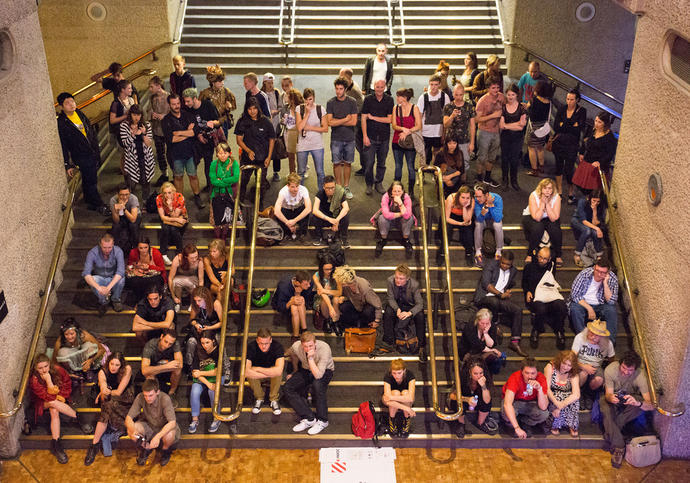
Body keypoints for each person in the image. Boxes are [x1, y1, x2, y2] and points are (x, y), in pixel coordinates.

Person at [56, 92, 109, 215]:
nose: (71, 104)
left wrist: (96, 148)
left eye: (72, 101)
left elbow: (89, 131)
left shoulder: (79, 113)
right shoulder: (62, 123)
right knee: (91, 180)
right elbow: (63, 145)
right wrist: (67, 164)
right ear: (62, 107)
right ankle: (98, 204)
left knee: (89, 179)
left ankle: (89, 200)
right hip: (81, 156)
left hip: (92, 151)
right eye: (67, 103)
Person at [601, 350, 654, 468]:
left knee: (640, 406)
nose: (625, 372)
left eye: (630, 370)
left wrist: (638, 403)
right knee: (604, 404)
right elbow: (608, 394)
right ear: (620, 363)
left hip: (631, 399)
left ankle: (611, 435)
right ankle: (619, 446)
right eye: (624, 368)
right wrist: (611, 398)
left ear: (635, 369)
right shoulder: (611, 369)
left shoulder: (641, 376)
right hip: (615, 398)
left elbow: (651, 404)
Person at [84, 352, 134, 465]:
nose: (114, 367)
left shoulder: (127, 369)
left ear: (121, 365)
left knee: (107, 403)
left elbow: (119, 391)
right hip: (110, 400)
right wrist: (103, 391)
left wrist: (105, 392)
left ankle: (94, 445)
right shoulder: (103, 371)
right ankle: (94, 444)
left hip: (125, 397)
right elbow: (103, 385)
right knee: (107, 404)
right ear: (108, 362)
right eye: (112, 364)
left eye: (117, 365)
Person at [473, 252, 527, 356]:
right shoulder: (491, 265)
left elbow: (509, 284)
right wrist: (499, 294)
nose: (505, 266)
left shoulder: (513, 271)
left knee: (518, 310)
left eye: (508, 265)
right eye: (503, 263)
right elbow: (486, 284)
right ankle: (494, 326)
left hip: (500, 298)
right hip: (485, 296)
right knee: (494, 301)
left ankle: (515, 342)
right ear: (500, 260)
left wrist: (507, 292)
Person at [29, 353, 77, 464]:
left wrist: (62, 396)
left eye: (46, 366)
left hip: (56, 399)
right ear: (36, 368)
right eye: (40, 368)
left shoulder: (57, 369)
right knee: (52, 402)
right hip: (42, 402)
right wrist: (49, 380)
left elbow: (67, 383)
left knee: (54, 409)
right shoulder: (34, 380)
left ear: (49, 364)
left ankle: (56, 443)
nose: (44, 370)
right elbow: (46, 397)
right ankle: (78, 417)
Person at [285, 331, 335, 435]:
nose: (308, 349)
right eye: (305, 346)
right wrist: (294, 371)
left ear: (315, 343)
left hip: (324, 371)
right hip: (306, 369)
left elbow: (318, 375)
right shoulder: (296, 346)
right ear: (301, 344)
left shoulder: (324, 348)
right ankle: (309, 418)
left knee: (317, 385)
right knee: (288, 387)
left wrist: (310, 358)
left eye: (311, 346)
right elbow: (288, 353)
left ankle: (323, 420)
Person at [161, 93, 205, 209]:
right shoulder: (166, 121)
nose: (177, 106)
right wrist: (187, 132)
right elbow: (171, 139)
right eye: (174, 104)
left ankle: (197, 196)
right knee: (178, 177)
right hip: (175, 155)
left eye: (178, 103)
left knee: (193, 175)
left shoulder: (188, 115)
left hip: (190, 152)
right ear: (169, 105)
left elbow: (194, 132)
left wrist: (179, 132)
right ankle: (179, 199)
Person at [125, 378, 180, 466]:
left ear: (157, 392)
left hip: (163, 426)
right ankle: (146, 447)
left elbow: (172, 422)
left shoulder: (165, 398)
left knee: (169, 435)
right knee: (131, 430)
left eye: (150, 395)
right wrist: (133, 431)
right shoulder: (140, 397)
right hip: (149, 425)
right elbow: (128, 418)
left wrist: (158, 436)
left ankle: (165, 451)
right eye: (145, 395)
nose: (147, 398)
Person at [522, 247, 567, 350]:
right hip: (535, 295)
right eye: (540, 257)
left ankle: (559, 330)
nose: (542, 260)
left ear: (550, 258)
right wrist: (528, 291)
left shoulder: (551, 266)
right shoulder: (529, 267)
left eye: (545, 258)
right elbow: (524, 282)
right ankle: (536, 329)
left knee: (561, 306)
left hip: (548, 294)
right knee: (541, 309)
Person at [235, 97, 276, 207]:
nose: (252, 111)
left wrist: (269, 157)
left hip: (262, 159)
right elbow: (239, 140)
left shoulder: (266, 121)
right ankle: (239, 203)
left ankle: (259, 203)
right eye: (249, 109)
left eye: (254, 108)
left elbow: (272, 139)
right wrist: (248, 151)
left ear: (258, 108)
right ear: (246, 109)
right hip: (247, 158)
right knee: (243, 181)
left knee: (261, 184)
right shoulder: (242, 121)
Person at [569, 255, 619, 339]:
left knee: (611, 310)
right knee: (575, 308)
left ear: (608, 272)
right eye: (597, 270)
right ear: (594, 267)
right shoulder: (585, 274)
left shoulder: (612, 278)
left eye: (603, 272)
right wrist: (589, 308)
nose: (599, 274)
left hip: (601, 305)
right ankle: (583, 340)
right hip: (584, 303)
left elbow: (611, 301)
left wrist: (605, 283)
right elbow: (575, 295)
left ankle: (609, 343)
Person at [382, 264, 426, 360]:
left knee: (420, 316)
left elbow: (420, 304)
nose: (398, 280)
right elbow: (390, 298)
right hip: (397, 305)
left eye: (401, 279)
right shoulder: (390, 280)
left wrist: (409, 313)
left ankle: (421, 346)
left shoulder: (414, 284)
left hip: (410, 306)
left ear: (407, 278)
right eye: (397, 277)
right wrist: (397, 309)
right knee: (388, 312)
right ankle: (390, 342)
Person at [188, 330, 229, 434]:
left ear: (213, 341)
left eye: (207, 342)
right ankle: (195, 420)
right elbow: (195, 372)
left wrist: (201, 374)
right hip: (204, 380)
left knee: (212, 392)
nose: (205, 345)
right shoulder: (198, 351)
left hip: (218, 377)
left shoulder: (218, 351)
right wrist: (207, 383)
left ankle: (216, 418)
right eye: (202, 343)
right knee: (194, 391)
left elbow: (218, 371)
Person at [550, 89, 587, 201]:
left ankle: (571, 192)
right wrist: (571, 124)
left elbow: (579, 128)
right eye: (567, 99)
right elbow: (556, 127)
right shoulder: (562, 109)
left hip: (572, 144)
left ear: (577, 100)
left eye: (571, 99)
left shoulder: (582, 111)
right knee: (559, 166)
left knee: (569, 169)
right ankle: (559, 190)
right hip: (559, 142)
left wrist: (564, 124)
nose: (569, 101)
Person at [327, 77, 359, 200]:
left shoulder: (352, 102)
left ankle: (346, 186)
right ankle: (338, 187)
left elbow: (354, 122)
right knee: (336, 163)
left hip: (349, 138)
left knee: (347, 163)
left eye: (341, 89)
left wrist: (337, 121)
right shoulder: (331, 102)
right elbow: (330, 122)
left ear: (345, 89)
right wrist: (346, 119)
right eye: (336, 89)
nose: (338, 91)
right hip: (336, 138)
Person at [182, 87, 220, 190]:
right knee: (193, 164)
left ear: (195, 99)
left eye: (188, 101)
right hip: (195, 142)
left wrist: (213, 123)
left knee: (208, 165)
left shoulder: (208, 105)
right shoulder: (187, 110)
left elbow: (217, 121)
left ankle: (210, 187)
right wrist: (198, 135)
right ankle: (196, 191)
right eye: (185, 101)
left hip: (208, 141)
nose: (186, 104)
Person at [449, 356, 497, 438]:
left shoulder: (486, 378)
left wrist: (484, 387)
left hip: (477, 400)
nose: (479, 376)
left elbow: (487, 400)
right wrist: (467, 399)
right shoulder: (463, 377)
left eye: (481, 373)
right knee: (457, 402)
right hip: (465, 399)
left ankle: (480, 423)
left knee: (487, 399)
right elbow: (452, 396)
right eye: (475, 373)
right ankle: (461, 424)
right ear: (470, 373)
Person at [571, 319, 615, 409]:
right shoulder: (580, 337)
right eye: (591, 333)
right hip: (580, 364)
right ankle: (579, 394)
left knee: (599, 379)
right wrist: (583, 366)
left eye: (596, 335)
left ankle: (588, 395)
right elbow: (572, 358)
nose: (592, 337)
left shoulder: (608, 344)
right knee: (583, 374)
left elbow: (612, 359)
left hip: (596, 367)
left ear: (602, 337)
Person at [501, 357, 549, 438]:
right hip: (515, 401)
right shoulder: (515, 377)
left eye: (533, 373)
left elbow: (543, 407)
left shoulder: (541, 378)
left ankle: (525, 422)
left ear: (537, 372)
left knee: (544, 414)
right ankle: (512, 425)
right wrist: (517, 428)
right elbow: (507, 404)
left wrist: (539, 389)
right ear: (522, 371)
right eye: (527, 373)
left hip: (530, 402)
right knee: (506, 413)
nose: (530, 376)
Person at [362, 79, 394, 195]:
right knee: (369, 163)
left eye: (381, 87)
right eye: (377, 87)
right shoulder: (368, 99)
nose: (379, 89)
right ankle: (369, 184)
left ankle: (379, 183)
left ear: (385, 87)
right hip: (370, 136)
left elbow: (390, 119)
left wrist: (373, 117)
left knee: (382, 163)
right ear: (373, 87)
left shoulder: (389, 100)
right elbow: (364, 119)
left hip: (384, 137)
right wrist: (364, 136)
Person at [521, 178, 563, 266]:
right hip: (532, 216)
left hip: (550, 216)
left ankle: (558, 255)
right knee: (538, 228)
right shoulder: (533, 195)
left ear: (553, 189)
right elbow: (537, 218)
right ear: (541, 189)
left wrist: (547, 204)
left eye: (550, 188)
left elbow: (554, 218)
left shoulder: (557, 197)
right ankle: (530, 254)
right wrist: (542, 204)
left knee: (555, 230)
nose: (547, 191)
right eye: (545, 188)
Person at [573, 111, 618, 192]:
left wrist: (600, 162)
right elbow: (585, 140)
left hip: (597, 167)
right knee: (581, 187)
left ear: (605, 124)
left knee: (593, 191)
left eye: (599, 122)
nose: (596, 124)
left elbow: (610, 154)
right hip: (587, 163)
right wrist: (581, 152)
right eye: (596, 121)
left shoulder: (609, 137)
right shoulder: (592, 130)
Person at [82, 233, 125, 316]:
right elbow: (86, 273)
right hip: (100, 277)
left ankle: (115, 299)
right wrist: (100, 288)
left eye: (110, 247)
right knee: (93, 280)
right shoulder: (92, 252)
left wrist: (108, 288)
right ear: (100, 245)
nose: (107, 250)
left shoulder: (118, 251)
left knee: (122, 278)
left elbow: (121, 271)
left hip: (112, 277)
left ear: (113, 244)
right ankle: (103, 302)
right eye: (104, 247)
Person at [52, 318, 107, 382]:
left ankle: (88, 370)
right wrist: (66, 373)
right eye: (66, 334)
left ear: (77, 332)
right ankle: (74, 372)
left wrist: (91, 360)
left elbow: (102, 349)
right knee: (61, 352)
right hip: (71, 363)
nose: (69, 337)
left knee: (90, 346)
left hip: (85, 358)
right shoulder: (60, 341)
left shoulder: (84, 336)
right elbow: (54, 361)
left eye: (72, 334)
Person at [246, 328, 285, 416]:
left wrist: (257, 369)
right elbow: (246, 372)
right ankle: (259, 397)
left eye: (266, 343)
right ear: (257, 340)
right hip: (259, 375)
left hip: (266, 374)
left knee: (278, 372)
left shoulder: (277, 346)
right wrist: (269, 372)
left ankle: (273, 399)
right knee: (250, 373)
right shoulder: (251, 347)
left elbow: (278, 371)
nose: (263, 346)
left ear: (270, 340)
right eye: (261, 343)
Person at [332, 265, 382, 332]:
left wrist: (377, 321)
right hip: (355, 307)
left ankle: (364, 327)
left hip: (365, 309)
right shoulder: (346, 286)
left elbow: (377, 305)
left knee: (368, 311)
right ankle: (352, 326)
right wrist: (344, 298)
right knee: (343, 306)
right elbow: (350, 297)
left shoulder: (364, 287)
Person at [140, 329, 183, 408]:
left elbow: (180, 364)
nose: (167, 345)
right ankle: (154, 397)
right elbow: (144, 370)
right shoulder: (150, 345)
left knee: (178, 369)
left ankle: (171, 393)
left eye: (170, 344)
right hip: (155, 370)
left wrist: (167, 367)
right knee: (149, 375)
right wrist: (166, 366)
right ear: (161, 336)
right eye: (165, 342)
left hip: (167, 371)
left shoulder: (175, 344)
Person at [474, 76, 505, 186]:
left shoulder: (501, 97)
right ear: (488, 88)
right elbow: (477, 119)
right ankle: (478, 178)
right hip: (484, 132)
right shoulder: (482, 101)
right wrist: (493, 116)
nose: (496, 90)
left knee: (492, 157)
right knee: (482, 156)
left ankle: (487, 177)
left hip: (496, 132)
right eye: (493, 88)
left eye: (497, 87)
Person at [296, 87, 328, 190]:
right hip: (302, 145)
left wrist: (310, 127)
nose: (308, 102)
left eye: (310, 99)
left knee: (320, 171)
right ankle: (300, 196)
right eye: (306, 99)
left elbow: (325, 128)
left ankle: (322, 194)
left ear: (313, 98)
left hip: (317, 145)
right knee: (301, 172)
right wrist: (307, 113)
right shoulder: (299, 109)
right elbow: (299, 127)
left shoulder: (320, 109)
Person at [391, 87, 422, 194]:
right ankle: (396, 191)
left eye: (398, 96)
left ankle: (411, 191)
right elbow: (394, 125)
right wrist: (402, 129)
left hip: (410, 142)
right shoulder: (395, 108)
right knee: (398, 166)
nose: (397, 98)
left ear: (404, 98)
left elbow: (418, 126)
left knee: (410, 166)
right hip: (397, 141)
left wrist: (407, 132)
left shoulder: (414, 108)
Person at [121, 104, 155, 202]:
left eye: (139, 115)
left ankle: (146, 201)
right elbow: (125, 144)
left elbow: (149, 144)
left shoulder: (146, 125)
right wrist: (133, 134)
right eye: (134, 115)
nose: (137, 117)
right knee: (131, 183)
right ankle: (130, 203)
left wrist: (144, 133)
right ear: (130, 115)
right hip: (132, 159)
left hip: (145, 158)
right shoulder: (124, 126)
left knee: (145, 181)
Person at [544, 350, 581, 436]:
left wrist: (561, 406)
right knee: (558, 396)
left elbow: (576, 394)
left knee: (574, 400)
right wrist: (557, 404)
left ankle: (572, 425)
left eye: (569, 365)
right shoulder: (550, 367)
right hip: (552, 395)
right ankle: (555, 425)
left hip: (566, 396)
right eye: (564, 363)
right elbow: (546, 389)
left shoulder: (573, 372)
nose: (565, 367)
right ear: (559, 360)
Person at [374, 181, 415, 257]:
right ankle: (383, 239)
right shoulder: (386, 196)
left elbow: (407, 216)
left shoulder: (406, 197)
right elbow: (386, 214)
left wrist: (400, 203)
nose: (397, 193)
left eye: (399, 191)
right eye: (394, 191)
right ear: (391, 192)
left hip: (401, 222)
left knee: (409, 219)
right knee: (382, 218)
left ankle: (406, 240)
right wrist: (401, 213)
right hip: (389, 221)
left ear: (402, 191)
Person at [209, 142, 240, 241]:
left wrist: (221, 181)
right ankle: (217, 238)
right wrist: (227, 181)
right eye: (220, 153)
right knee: (217, 220)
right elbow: (213, 180)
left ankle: (224, 237)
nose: (222, 155)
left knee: (227, 219)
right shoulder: (214, 164)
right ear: (216, 154)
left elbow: (235, 178)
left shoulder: (234, 163)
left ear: (229, 153)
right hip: (216, 195)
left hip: (229, 195)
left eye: (225, 153)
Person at [184, 286, 222, 368]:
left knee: (218, 338)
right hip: (200, 329)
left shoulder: (215, 303)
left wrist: (209, 328)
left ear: (205, 298)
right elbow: (192, 320)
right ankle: (189, 366)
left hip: (213, 328)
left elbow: (222, 322)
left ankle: (219, 364)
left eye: (199, 300)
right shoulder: (195, 305)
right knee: (191, 341)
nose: (197, 303)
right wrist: (196, 325)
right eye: (195, 300)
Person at [442, 83, 476, 173]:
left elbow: (472, 126)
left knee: (465, 162)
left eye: (461, 95)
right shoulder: (448, 107)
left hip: (464, 140)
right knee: (450, 162)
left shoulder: (470, 107)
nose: (458, 97)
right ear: (453, 94)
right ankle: (452, 182)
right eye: (456, 94)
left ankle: (463, 182)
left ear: (464, 94)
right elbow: (445, 125)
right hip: (451, 141)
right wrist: (452, 116)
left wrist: (472, 143)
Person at [499, 83, 528, 191]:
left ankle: (514, 181)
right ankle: (505, 180)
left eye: (513, 95)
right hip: (505, 138)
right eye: (509, 95)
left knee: (514, 160)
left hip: (517, 138)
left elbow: (521, 127)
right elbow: (501, 125)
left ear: (517, 95)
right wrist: (514, 125)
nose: (510, 97)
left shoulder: (521, 108)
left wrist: (507, 125)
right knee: (504, 159)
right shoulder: (503, 108)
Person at [417, 74, 451, 163]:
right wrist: (419, 132)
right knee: (425, 152)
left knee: (437, 152)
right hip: (425, 131)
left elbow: (446, 116)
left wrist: (444, 133)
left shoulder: (444, 97)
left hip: (438, 131)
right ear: (429, 84)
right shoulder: (423, 97)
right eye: (432, 84)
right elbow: (419, 116)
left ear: (440, 84)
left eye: (436, 84)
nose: (433, 87)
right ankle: (423, 171)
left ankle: (434, 170)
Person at [458, 308, 504, 374]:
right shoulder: (470, 326)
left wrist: (485, 333)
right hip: (468, 352)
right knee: (480, 362)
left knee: (492, 357)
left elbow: (491, 344)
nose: (485, 325)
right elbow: (476, 344)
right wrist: (491, 350)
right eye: (482, 323)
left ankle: (486, 377)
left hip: (482, 353)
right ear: (477, 320)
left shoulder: (492, 326)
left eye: (487, 323)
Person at [339, 67, 366, 177]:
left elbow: (360, 106)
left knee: (359, 144)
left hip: (357, 121)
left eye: (341, 76)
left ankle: (365, 167)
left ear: (347, 77)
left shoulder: (354, 90)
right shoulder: (348, 86)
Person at [273, 270, 315, 339]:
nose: (309, 285)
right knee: (294, 306)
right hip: (285, 305)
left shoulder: (310, 283)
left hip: (301, 306)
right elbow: (279, 307)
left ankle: (297, 335)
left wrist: (298, 294)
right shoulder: (283, 287)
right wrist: (290, 302)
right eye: (306, 284)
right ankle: (304, 331)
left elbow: (307, 299)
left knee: (299, 301)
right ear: (298, 283)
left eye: (309, 283)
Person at [311, 175, 351, 247]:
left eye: (332, 188)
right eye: (328, 188)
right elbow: (315, 210)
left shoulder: (340, 192)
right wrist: (329, 219)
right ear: (324, 187)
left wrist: (336, 221)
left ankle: (344, 238)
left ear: (335, 186)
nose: (330, 190)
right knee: (314, 216)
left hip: (335, 216)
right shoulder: (320, 193)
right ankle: (318, 237)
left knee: (346, 216)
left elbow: (346, 208)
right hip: (325, 218)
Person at [126, 235, 166, 306]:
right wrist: (135, 270)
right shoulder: (133, 252)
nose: (143, 250)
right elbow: (130, 265)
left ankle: (149, 302)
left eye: (145, 247)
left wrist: (149, 267)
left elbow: (162, 269)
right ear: (137, 247)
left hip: (154, 275)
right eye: (141, 248)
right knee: (135, 281)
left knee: (152, 281)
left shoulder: (155, 253)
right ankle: (139, 303)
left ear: (149, 246)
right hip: (139, 274)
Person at [199, 64, 237, 138]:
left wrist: (229, 106)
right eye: (219, 81)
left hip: (223, 122)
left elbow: (233, 105)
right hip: (210, 123)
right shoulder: (205, 94)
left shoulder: (226, 91)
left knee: (223, 145)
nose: (222, 83)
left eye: (222, 81)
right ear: (213, 82)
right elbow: (199, 109)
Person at [571, 189, 607, 267]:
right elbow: (583, 221)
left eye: (598, 201)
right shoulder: (582, 202)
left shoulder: (599, 206)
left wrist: (594, 210)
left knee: (594, 232)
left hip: (590, 222)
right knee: (587, 231)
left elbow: (595, 223)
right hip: (578, 220)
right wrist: (597, 228)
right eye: (594, 200)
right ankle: (577, 254)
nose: (596, 203)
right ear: (590, 198)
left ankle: (599, 255)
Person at [156, 181, 189, 265]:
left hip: (180, 216)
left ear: (174, 192)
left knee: (173, 229)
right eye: (165, 193)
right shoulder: (159, 198)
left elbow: (176, 215)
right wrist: (176, 220)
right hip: (173, 218)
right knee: (166, 228)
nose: (167, 195)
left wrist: (170, 207)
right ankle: (163, 254)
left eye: (169, 192)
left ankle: (179, 253)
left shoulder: (180, 197)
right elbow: (162, 217)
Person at [442, 185, 475, 266]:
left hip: (464, 216)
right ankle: (442, 253)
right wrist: (460, 223)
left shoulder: (472, 201)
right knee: (447, 228)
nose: (465, 200)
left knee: (468, 232)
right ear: (458, 196)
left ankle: (469, 253)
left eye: (467, 198)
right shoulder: (451, 198)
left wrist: (464, 207)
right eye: (463, 197)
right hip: (451, 216)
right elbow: (447, 218)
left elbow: (467, 220)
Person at [382, 359, 416, 438]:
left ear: (404, 370)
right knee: (395, 392)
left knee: (405, 393)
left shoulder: (410, 375)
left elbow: (410, 398)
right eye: (394, 373)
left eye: (399, 373)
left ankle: (406, 421)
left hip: (404, 398)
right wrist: (408, 409)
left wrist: (391, 397)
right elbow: (387, 401)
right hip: (394, 401)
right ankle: (392, 421)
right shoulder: (388, 376)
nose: (396, 376)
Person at [526, 80, 553, 176]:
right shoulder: (548, 102)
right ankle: (541, 166)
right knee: (540, 147)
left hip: (533, 128)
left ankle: (534, 169)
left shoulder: (534, 100)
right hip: (543, 128)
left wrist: (526, 107)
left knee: (531, 148)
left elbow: (530, 113)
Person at [147, 76, 171, 186]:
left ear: (158, 86)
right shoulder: (152, 98)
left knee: (171, 153)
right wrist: (152, 114)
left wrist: (164, 116)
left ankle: (176, 175)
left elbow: (175, 113)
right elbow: (148, 111)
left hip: (168, 131)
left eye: (151, 86)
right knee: (160, 154)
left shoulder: (169, 97)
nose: (150, 89)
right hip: (157, 130)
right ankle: (164, 174)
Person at [274, 173, 312, 241]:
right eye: (293, 187)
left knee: (306, 211)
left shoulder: (303, 190)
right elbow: (276, 211)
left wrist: (294, 221)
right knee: (278, 215)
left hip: (298, 209)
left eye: (297, 186)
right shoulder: (283, 192)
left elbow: (309, 208)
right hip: (286, 210)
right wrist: (287, 223)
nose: (295, 189)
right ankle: (286, 234)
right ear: (288, 185)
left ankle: (303, 233)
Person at [473, 183, 505, 264]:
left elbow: (497, 218)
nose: (477, 199)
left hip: (493, 220)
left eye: (479, 196)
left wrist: (491, 206)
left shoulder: (497, 199)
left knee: (497, 225)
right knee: (478, 224)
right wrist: (485, 207)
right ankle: (478, 250)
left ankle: (499, 250)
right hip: (483, 220)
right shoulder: (476, 201)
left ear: (486, 195)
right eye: (476, 196)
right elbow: (479, 219)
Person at [261, 72, 285, 181]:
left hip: (275, 126)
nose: (271, 85)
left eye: (272, 83)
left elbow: (281, 107)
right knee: (264, 149)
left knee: (275, 149)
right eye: (268, 83)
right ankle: (263, 171)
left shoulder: (276, 93)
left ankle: (276, 172)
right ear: (264, 83)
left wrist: (275, 111)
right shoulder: (261, 94)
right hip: (264, 127)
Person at [168, 243, 205, 312]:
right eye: (191, 258)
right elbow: (170, 278)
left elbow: (201, 281)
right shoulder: (178, 259)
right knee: (175, 282)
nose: (194, 259)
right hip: (179, 279)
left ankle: (193, 303)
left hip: (193, 280)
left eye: (196, 257)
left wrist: (199, 296)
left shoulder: (199, 261)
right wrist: (173, 296)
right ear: (185, 257)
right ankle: (178, 303)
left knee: (192, 284)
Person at [312, 255, 342, 334]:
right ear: (321, 268)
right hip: (322, 298)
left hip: (334, 296)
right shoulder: (316, 276)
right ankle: (328, 319)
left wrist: (325, 290)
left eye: (330, 269)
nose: (329, 271)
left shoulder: (336, 274)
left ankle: (335, 321)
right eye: (326, 269)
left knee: (336, 299)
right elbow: (322, 294)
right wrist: (330, 307)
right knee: (325, 301)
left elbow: (339, 292)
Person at [110, 183, 141, 254]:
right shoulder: (113, 200)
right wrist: (117, 211)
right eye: (122, 195)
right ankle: (116, 251)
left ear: (129, 193)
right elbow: (116, 220)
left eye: (127, 194)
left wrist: (124, 209)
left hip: (134, 216)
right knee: (115, 227)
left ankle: (135, 250)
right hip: (121, 217)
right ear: (117, 194)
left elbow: (133, 219)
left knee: (133, 226)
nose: (124, 197)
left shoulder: (133, 198)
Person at [280, 87, 303, 176]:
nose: (286, 99)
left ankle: (301, 173)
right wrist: (282, 121)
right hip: (288, 134)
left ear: (292, 99)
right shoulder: (285, 108)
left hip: (299, 134)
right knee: (291, 157)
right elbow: (282, 122)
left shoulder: (302, 109)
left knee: (300, 156)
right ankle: (292, 175)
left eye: (287, 97)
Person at [109, 80, 135, 150]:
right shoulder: (116, 103)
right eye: (129, 88)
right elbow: (112, 120)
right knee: (126, 154)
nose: (131, 90)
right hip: (123, 132)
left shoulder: (131, 100)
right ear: (122, 90)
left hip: (133, 129)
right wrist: (125, 116)